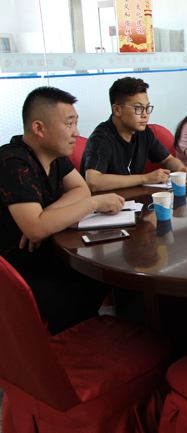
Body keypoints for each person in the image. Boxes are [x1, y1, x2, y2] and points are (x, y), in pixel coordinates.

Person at [0, 87, 125, 335]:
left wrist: (45, 217)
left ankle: (90, 337)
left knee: (101, 278)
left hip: (46, 258)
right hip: (15, 277)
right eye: (70, 124)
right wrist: (93, 205)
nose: (77, 132)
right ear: (39, 128)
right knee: (71, 298)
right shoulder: (13, 162)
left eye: (76, 123)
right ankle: (66, 354)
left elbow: (81, 189)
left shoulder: (55, 156)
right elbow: (36, 229)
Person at [81, 77, 187, 192]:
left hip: (132, 201)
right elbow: (93, 181)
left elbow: (168, 160)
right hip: (105, 206)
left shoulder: (143, 132)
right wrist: (146, 178)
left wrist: (181, 169)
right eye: (138, 108)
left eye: (147, 108)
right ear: (117, 110)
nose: (145, 114)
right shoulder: (101, 138)